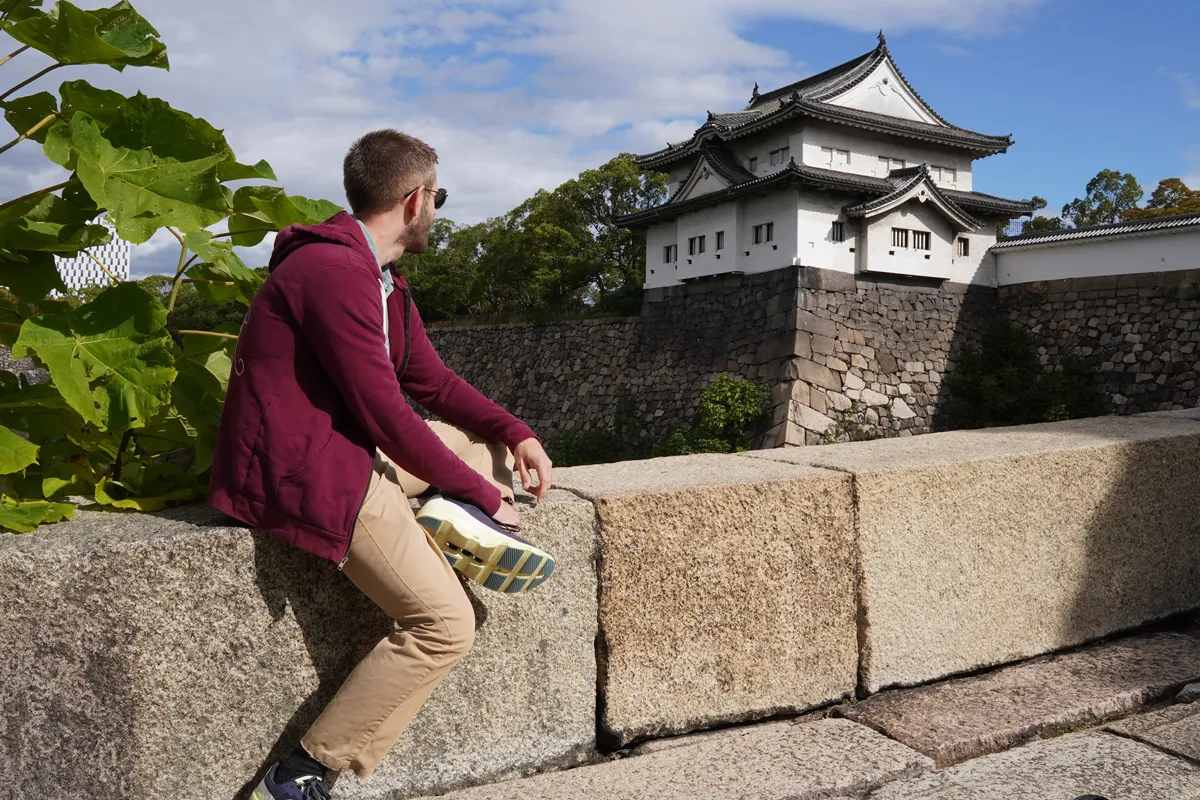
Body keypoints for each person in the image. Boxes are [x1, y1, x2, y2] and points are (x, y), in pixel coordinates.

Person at [206, 129, 554, 800]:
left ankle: (434, 516)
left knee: (485, 450)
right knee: (445, 625)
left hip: (348, 451)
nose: (437, 209)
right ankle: (304, 769)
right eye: (439, 197)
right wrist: (485, 496)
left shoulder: (381, 281)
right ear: (414, 197)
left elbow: (434, 385)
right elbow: (386, 415)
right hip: (311, 473)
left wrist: (518, 433)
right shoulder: (331, 273)